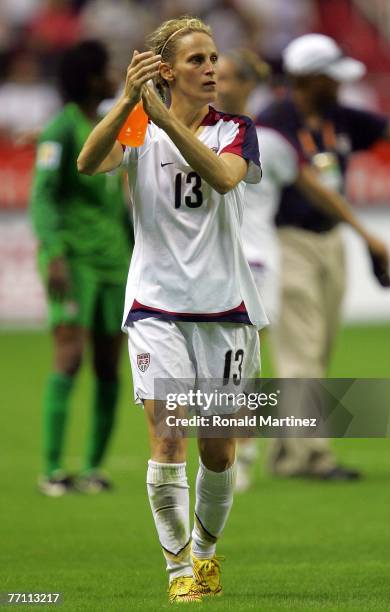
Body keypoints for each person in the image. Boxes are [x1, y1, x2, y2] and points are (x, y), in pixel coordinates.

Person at [77, 16, 267, 603]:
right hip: (155, 306)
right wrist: (131, 104)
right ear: (167, 71)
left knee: (219, 448)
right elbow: (89, 162)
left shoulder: (235, 129)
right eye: (197, 60)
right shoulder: (137, 126)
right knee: (167, 440)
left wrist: (162, 121)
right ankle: (178, 570)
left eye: (213, 58)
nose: (211, 69)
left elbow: (224, 179)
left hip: (224, 308)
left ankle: (206, 554)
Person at [216, 48, 390, 490]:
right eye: (332, 76)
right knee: (300, 353)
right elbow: (303, 182)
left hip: (329, 240)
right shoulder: (274, 122)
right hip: (287, 243)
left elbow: (388, 132)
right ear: (310, 77)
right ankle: (310, 454)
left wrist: (361, 234)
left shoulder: (337, 115)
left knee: (318, 349)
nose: (340, 84)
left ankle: (286, 449)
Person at [30, 40, 132, 497]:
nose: (114, 74)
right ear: (91, 78)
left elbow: (123, 201)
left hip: (116, 259)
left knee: (110, 363)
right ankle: (53, 469)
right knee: (70, 354)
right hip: (73, 257)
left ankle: (93, 468)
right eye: (107, 68)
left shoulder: (113, 127)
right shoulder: (60, 130)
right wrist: (53, 253)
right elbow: (43, 195)